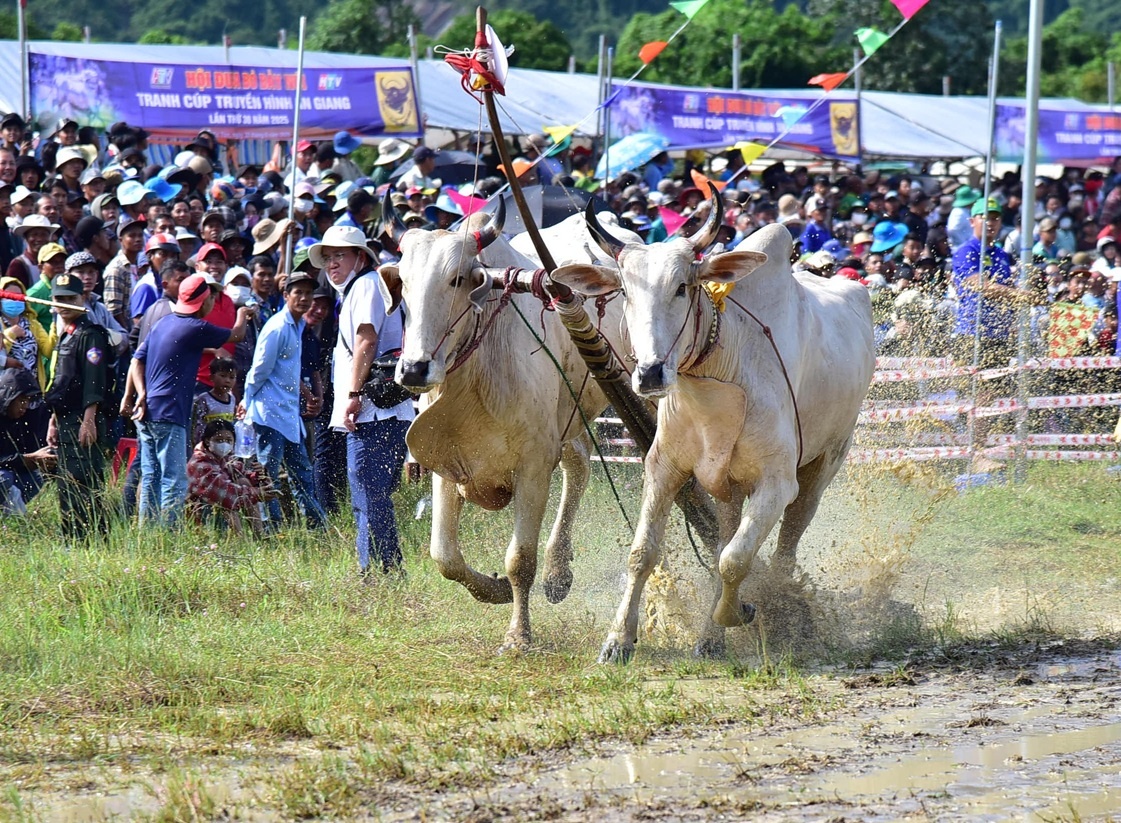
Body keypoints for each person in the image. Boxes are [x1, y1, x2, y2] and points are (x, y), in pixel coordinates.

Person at [315, 225, 415, 575]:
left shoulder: (366, 286)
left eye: (339, 255)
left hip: (374, 411)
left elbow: (366, 342)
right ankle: (385, 567)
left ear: (360, 256)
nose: (332, 263)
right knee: (370, 494)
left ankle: (375, 570)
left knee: (367, 493)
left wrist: (353, 395)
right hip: (379, 410)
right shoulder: (365, 286)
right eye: (328, 257)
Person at [123, 273, 256, 526]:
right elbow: (237, 335)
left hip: (148, 410)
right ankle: (168, 537)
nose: (213, 303)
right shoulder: (196, 327)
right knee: (175, 478)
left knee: (151, 475)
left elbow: (136, 360)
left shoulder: (163, 323)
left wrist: (138, 394)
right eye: (211, 298)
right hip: (170, 412)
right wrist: (242, 313)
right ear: (203, 301)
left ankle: (147, 536)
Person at [951, 197, 1037, 474]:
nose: (991, 222)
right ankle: (973, 454)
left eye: (996, 217)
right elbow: (978, 285)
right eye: (985, 217)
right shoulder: (966, 250)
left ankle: (978, 451)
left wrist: (1016, 308)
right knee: (980, 395)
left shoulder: (1001, 254)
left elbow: (1007, 289)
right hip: (972, 333)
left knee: (991, 398)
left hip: (998, 334)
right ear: (972, 221)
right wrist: (1017, 295)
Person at [241, 272, 327, 530]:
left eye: (308, 293)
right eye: (297, 292)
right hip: (268, 413)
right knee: (269, 475)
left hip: (288, 415)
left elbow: (287, 371)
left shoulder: (298, 325)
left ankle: (317, 528)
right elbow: (259, 370)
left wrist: (306, 395)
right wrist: (246, 402)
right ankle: (271, 530)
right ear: (286, 295)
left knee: (302, 473)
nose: (304, 298)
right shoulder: (278, 327)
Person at [44, 271, 112, 541]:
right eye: (58, 299)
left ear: (82, 298)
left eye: (69, 298)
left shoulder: (90, 334)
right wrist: (52, 419)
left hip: (84, 420)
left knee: (84, 481)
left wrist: (89, 419)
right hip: (65, 418)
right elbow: (61, 381)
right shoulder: (66, 334)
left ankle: (91, 541)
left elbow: (94, 381)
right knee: (67, 484)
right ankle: (72, 538)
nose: (63, 304)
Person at [186, 419, 277, 535]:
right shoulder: (200, 464)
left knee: (243, 482)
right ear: (208, 441)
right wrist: (257, 493)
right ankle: (241, 540)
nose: (224, 444)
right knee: (227, 500)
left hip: (218, 511)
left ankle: (259, 535)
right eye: (219, 440)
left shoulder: (226, 459)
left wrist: (260, 475)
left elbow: (245, 476)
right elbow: (225, 494)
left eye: (229, 440)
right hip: (202, 517)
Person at [0, 367, 53, 513]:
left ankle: (9, 519)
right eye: (21, 400)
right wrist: (27, 458)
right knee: (4, 478)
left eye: (28, 401)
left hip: (8, 471)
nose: (25, 406)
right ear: (9, 396)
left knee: (35, 478)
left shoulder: (21, 419)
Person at [0, 277, 53, 390]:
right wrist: (10, 334)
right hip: (6, 392)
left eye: (18, 296)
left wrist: (56, 324)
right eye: (9, 296)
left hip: (33, 391)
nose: (15, 300)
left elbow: (49, 352)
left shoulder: (33, 324)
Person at [192, 358, 237, 446]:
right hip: (207, 445)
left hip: (226, 445)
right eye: (223, 376)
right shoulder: (204, 399)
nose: (227, 381)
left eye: (232, 377)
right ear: (212, 377)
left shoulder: (232, 399)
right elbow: (195, 426)